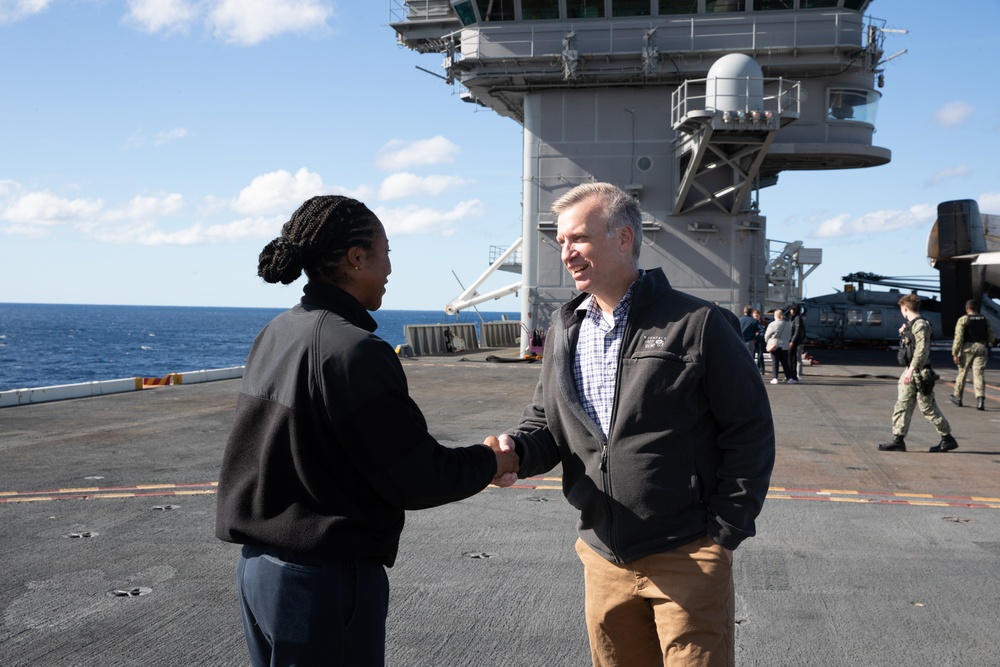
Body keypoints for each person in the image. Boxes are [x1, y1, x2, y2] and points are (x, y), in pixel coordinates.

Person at [214, 195, 519, 667]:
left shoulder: (277, 332)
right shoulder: (353, 351)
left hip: (260, 573)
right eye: (386, 252)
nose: (390, 269)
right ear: (356, 258)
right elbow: (416, 474)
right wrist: (493, 460)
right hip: (322, 582)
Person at [494, 183, 775, 666]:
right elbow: (547, 423)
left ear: (623, 238)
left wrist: (724, 533)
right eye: (561, 242)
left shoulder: (697, 323)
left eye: (578, 238)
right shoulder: (565, 328)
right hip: (603, 557)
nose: (567, 252)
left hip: (686, 553)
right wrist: (513, 452)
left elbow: (749, 429)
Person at [878, 293, 958, 453]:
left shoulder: (920, 325)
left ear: (905, 308)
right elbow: (912, 346)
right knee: (902, 404)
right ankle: (898, 439)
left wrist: (912, 370)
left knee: (927, 407)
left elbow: (922, 349)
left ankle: (947, 438)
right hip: (911, 370)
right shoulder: (912, 325)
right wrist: (904, 333)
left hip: (918, 372)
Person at [950, 299, 993, 411]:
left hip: (967, 349)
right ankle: (980, 399)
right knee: (978, 374)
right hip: (981, 348)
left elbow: (958, 337)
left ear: (967, 308)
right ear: (976, 308)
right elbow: (991, 336)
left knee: (962, 372)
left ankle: (958, 397)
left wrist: (955, 353)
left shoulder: (963, 319)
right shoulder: (985, 319)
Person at [763, 308, 796, 384]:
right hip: (784, 344)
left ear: (776, 315)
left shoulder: (772, 324)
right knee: (785, 362)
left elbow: (767, 335)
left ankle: (775, 378)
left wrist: (767, 341)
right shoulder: (788, 324)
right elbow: (789, 334)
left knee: (775, 361)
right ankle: (789, 378)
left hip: (774, 344)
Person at [788, 304, 807, 379]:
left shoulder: (797, 318)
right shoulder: (794, 318)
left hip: (795, 341)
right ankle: (792, 375)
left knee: (792, 358)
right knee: (792, 358)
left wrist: (792, 341)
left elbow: (797, 329)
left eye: (791, 309)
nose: (790, 311)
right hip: (794, 340)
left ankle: (792, 375)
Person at [752, 308, 767, 373]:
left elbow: (763, 332)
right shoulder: (752, 322)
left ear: (759, 316)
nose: (756, 318)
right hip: (754, 340)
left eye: (757, 316)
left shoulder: (763, 323)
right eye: (755, 316)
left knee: (760, 354)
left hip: (761, 340)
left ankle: (761, 368)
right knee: (752, 354)